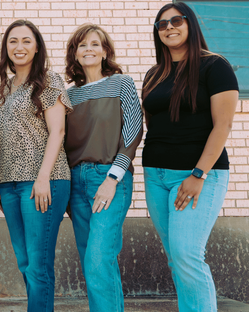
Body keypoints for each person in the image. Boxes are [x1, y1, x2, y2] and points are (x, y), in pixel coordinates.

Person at [142, 3, 239, 312]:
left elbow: (222, 125)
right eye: (161, 24)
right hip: (156, 175)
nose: (169, 27)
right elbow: (152, 121)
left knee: (187, 253)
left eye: (176, 20)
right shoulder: (154, 74)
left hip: (198, 174)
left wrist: (198, 174)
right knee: (176, 257)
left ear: (190, 24)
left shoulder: (214, 66)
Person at [0, 20, 70, 312]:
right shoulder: (1, 89)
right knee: (24, 261)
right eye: (13, 41)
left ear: (37, 47)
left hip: (43, 182)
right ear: (6, 48)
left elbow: (58, 131)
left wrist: (43, 177)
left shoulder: (49, 80)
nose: (19, 47)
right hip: (9, 185)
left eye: (26, 41)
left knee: (38, 264)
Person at [63, 24, 144, 312]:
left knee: (99, 259)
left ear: (105, 51)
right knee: (91, 262)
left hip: (108, 177)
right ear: (75, 53)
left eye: (95, 44)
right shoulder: (68, 96)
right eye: (82, 45)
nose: (88, 49)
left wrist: (113, 177)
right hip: (76, 181)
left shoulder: (122, 83)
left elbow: (133, 131)